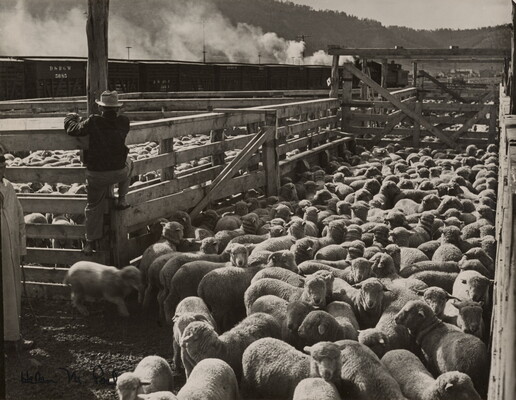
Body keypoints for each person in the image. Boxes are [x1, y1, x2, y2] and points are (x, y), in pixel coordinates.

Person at [64, 90, 133, 256]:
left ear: (101, 108)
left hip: (97, 175)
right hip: (118, 173)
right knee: (131, 162)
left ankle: (89, 243)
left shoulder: (94, 121)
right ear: (117, 109)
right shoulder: (125, 122)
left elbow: (74, 130)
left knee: (93, 207)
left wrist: (70, 118)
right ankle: (122, 198)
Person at [0, 152, 33, 353]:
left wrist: (21, 248)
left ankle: (12, 338)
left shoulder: (8, 187)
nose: (1, 170)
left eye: (2, 166)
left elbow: (20, 218)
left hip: (10, 251)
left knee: (11, 295)